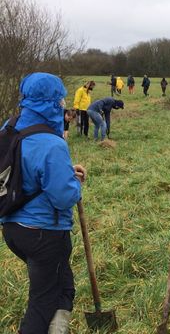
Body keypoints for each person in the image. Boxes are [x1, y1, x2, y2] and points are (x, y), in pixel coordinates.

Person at [1, 72, 86, 334]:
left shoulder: (9, 128)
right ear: (51, 102)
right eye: (60, 100)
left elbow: (25, 172)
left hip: (12, 228)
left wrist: (63, 171)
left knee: (64, 287)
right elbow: (64, 197)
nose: (63, 105)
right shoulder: (51, 143)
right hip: (43, 233)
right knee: (43, 301)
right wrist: (75, 183)